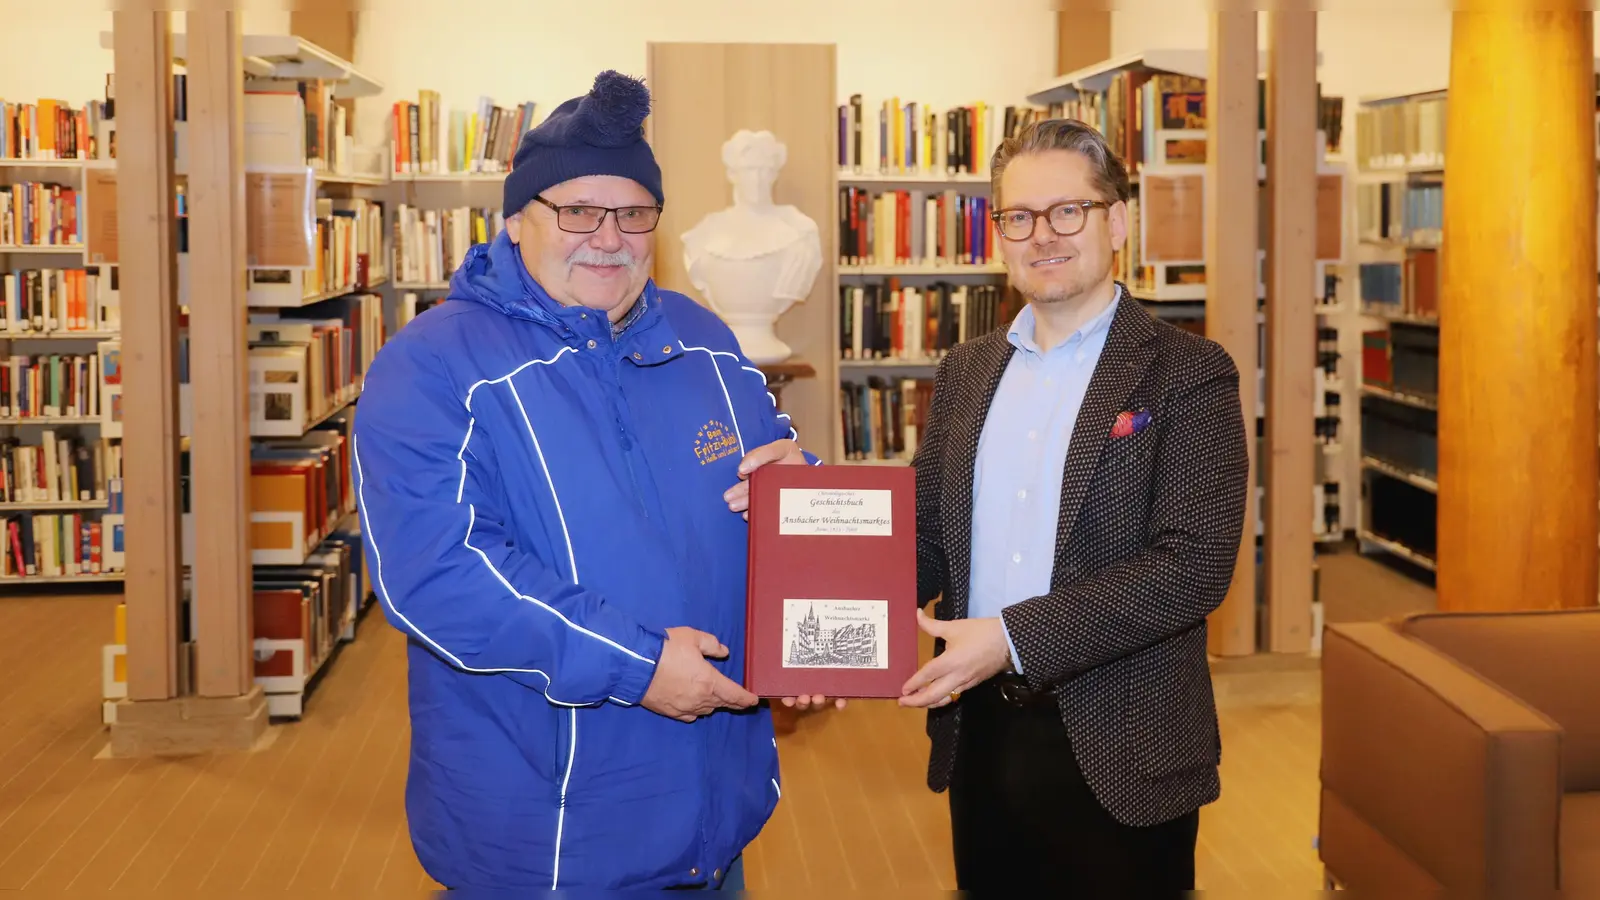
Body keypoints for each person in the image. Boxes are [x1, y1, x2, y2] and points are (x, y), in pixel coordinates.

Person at [351, 70, 828, 891]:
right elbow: (436, 576)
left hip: (718, 813)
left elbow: (773, 478)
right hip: (550, 837)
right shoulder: (432, 365)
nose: (608, 237)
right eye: (577, 211)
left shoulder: (703, 338)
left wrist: (809, 520)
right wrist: (638, 666)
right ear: (515, 221)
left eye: (634, 213)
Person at [897, 118, 1250, 891]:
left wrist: (1010, 638)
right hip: (979, 732)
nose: (1042, 235)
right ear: (998, 235)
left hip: (1127, 739)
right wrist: (813, 535)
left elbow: (1191, 567)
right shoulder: (965, 370)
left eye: (1068, 211)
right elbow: (927, 538)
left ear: (1116, 221)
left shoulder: (1188, 374)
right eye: (1018, 217)